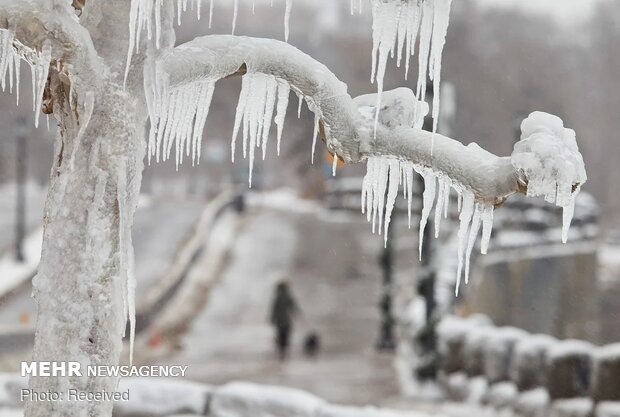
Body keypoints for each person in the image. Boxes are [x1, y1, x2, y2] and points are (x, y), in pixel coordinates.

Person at [269, 281, 299, 360]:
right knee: (286, 336)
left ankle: (281, 350)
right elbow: (294, 307)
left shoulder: (277, 298)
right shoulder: (288, 297)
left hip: (279, 321)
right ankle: (284, 351)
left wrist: (272, 319)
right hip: (286, 320)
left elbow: (273, 310)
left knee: (280, 335)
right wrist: (298, 314)